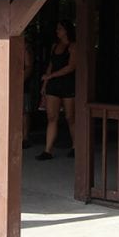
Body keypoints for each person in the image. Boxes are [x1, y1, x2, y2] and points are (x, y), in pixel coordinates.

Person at [35, 20, 76, 161]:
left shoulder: (72, 47)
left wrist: (51, 76)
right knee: (52, 117)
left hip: (68, 84)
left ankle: (75, 146)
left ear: (66, 30)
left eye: (60, 29)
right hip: (53, 85)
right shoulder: (54, 46)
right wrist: (45, 84)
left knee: (70, 117)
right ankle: (48, 150)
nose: (57, 31)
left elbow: (71, 67)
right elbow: (50, 66)